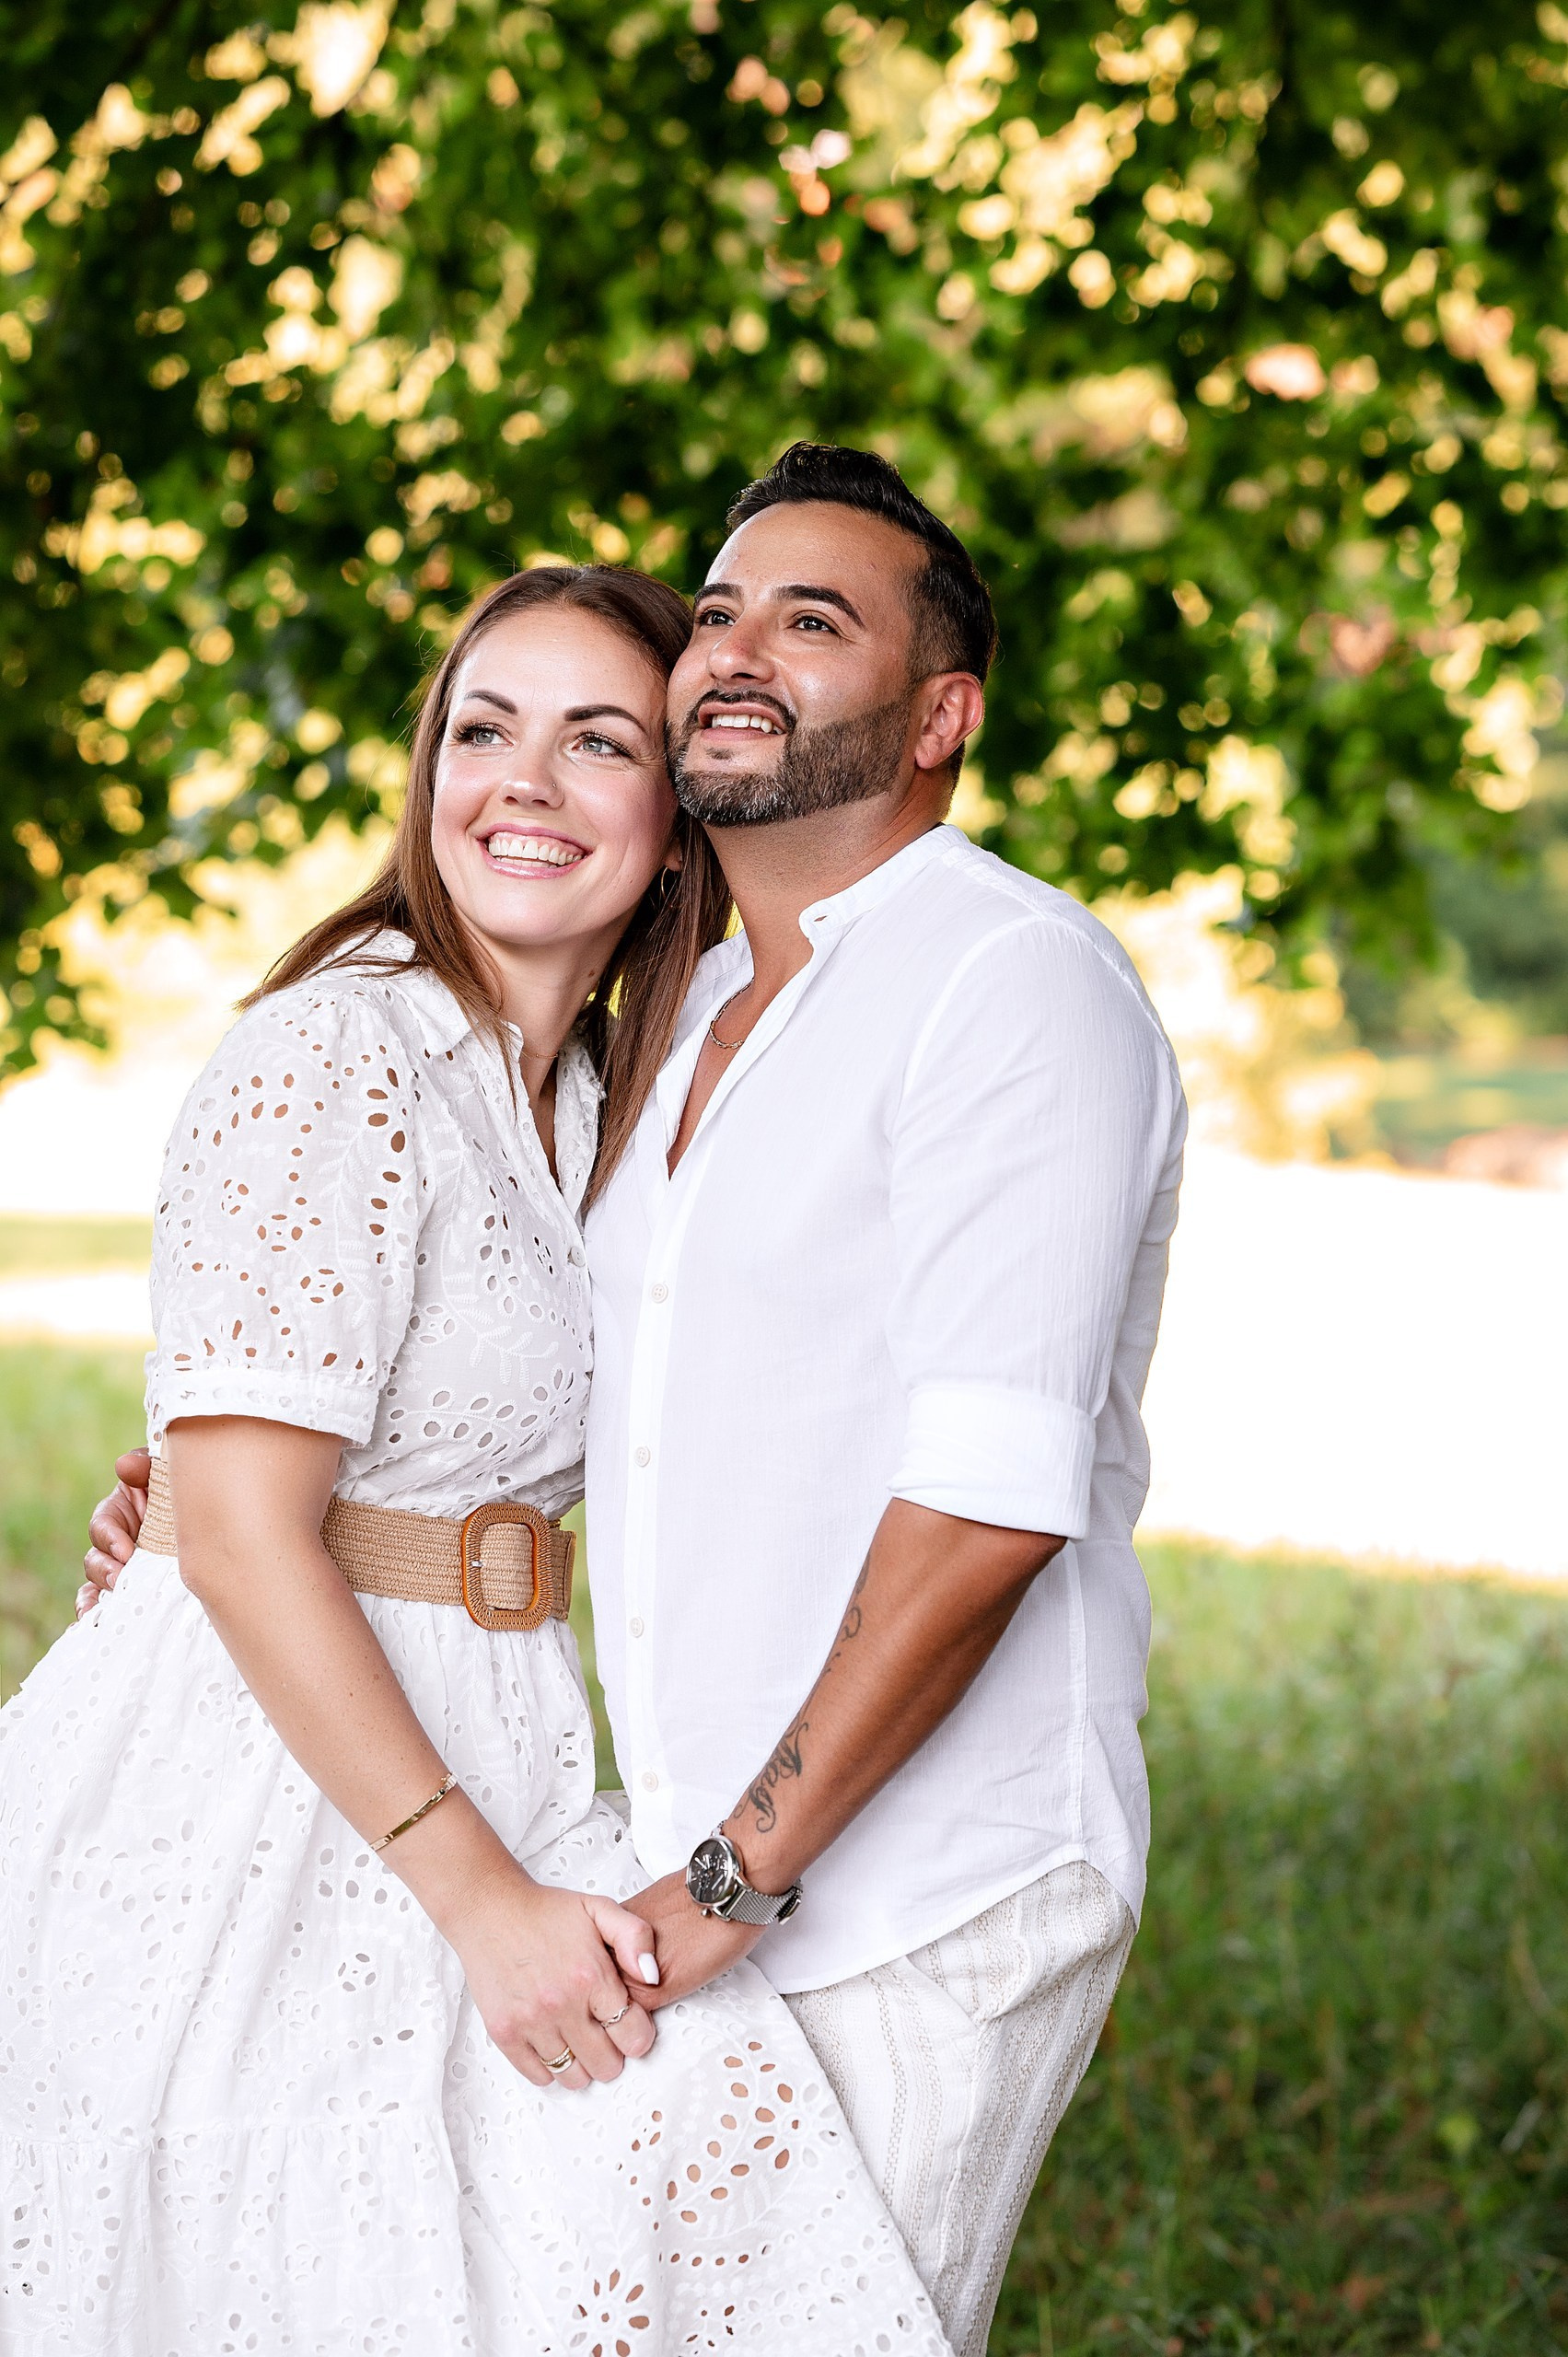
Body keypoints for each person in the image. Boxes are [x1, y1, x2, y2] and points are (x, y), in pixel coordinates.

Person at [84, 445, 1187, 2357]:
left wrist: (732, 1870)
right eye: (725, 610)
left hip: (901, 1878)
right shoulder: (659, 1054)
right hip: (594, 1848)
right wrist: (228, 1508)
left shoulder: (998, 982)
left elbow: (994, 1502)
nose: (739, 649)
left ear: (944, 712)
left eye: (815, 617)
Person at [2, 563, 951, 2354]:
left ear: (676, 824)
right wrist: (482, 1898)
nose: (522, 778)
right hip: (261, 1787)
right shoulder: (333, 1051)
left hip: (510, 1725)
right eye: (482, 726)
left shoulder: (608, 1105)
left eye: (599, 740)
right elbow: (243, 1531)